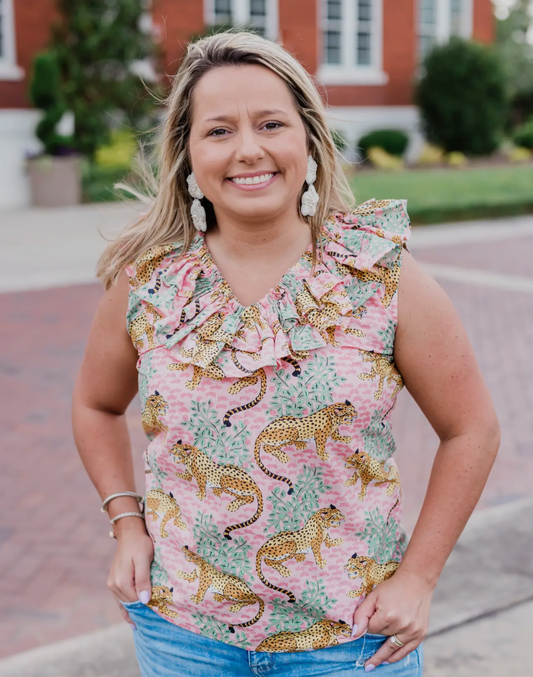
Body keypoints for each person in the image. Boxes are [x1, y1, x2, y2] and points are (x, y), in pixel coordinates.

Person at [72, 30, 500, 677]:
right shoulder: (149, 284)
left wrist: (418, 577)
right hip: (185, 637)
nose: (248, 149)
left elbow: (471, 429)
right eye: (218, 131)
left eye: (270, 123)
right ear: (187, 155)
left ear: (307, 137)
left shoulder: (378, 275)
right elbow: (94, 404)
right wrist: (126, 523)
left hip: (350, 641)